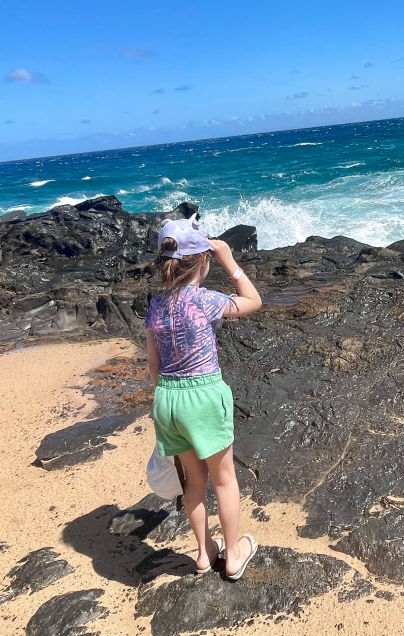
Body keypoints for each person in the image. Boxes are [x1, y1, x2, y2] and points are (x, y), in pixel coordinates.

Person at [144, 217, 262, 580]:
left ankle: (202, 553)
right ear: (204, 261)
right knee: (224, 479)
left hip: (167, 398)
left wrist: (168, 395)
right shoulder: (206, 300)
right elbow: (253, 301)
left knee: (193, 482)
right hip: (203, 395)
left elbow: (153, 366)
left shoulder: (156, 306)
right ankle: (232, 557)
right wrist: (231, 262)